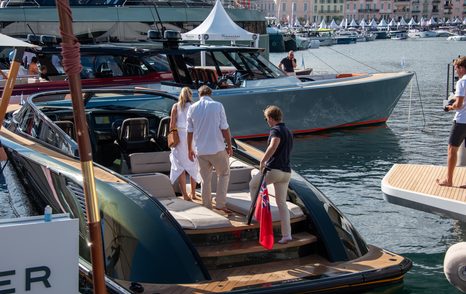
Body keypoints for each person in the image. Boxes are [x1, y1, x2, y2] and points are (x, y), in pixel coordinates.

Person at [249, 105, 293, 244]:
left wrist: (263, 161)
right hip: (286, 172)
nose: (266, 121)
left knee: (253, 184)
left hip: (274, 170)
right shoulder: (288, 131)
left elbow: (273, 145)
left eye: (266, 119)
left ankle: (258, 216)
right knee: (282, 203)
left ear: (270, 118)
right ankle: (287, 235)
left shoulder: (275, 130)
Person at [187, 85, 233, 213]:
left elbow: (189, 131)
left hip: (200, 150)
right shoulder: (218, 106)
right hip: (217, 148)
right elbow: (224, 128)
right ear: (210, 94)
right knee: (223, 174)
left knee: (205, 179)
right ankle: (220, 204)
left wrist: (189, 149)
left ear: (199, 94)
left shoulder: (192, 108)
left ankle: (207, 205)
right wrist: (229, 146)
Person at [437, 56, 466, 187]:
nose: (455, 71)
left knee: (451, 149)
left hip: (461, 121)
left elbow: (459, 105)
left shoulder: (461, 82)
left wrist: (450, 107)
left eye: (456, 68)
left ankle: (448, 181)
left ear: (461, 68)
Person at [169, 87, 201, 201]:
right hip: (191, 137)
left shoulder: (175, 106)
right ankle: (193, 193)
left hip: (180, 139)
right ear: (190, 95)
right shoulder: (194, 106)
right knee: (193, 164)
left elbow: (172, 125)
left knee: (180, 166)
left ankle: (185, 195)